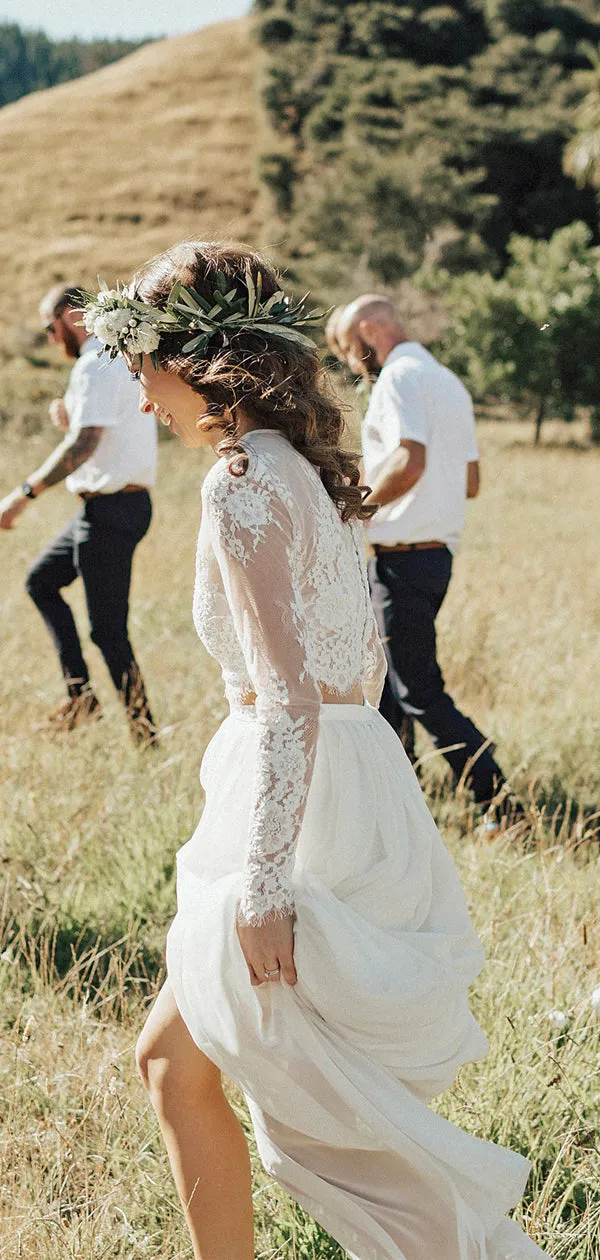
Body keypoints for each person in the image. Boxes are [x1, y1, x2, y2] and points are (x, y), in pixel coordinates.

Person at [83, 242, 549, 1260]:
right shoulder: (306, 471)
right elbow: (351, 670)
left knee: (311, 1115)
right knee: (198, 1069)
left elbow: (290, 695)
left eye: (143, 356)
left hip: (294, 801)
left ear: (197, 356)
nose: (137, 385)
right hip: (351, 781)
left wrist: (260, 881)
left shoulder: (242, 482)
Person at [337, 295, 518, 826]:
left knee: (417, 690)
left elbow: (408, 460)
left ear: (369, 330)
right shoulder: (449, 382)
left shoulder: (396, 378)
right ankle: (398, 800)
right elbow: (471, 482)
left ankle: (501, 807)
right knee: (389, 685)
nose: (351, 363)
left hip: (401, 559)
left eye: (348, 348)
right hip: (436, 558)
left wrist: (354, 508)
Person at [0, 283, 158, 745]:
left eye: (51, 327)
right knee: (41, 582)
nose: (51, 338)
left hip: (110, 510)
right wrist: (72, 417)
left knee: (108, 631)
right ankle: (82, 697)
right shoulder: (117, 360)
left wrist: (24, 493)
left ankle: (146, 736)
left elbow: (85, 445)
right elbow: (96, 432)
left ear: (70, 316)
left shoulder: (95, 363)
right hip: (115, 505)